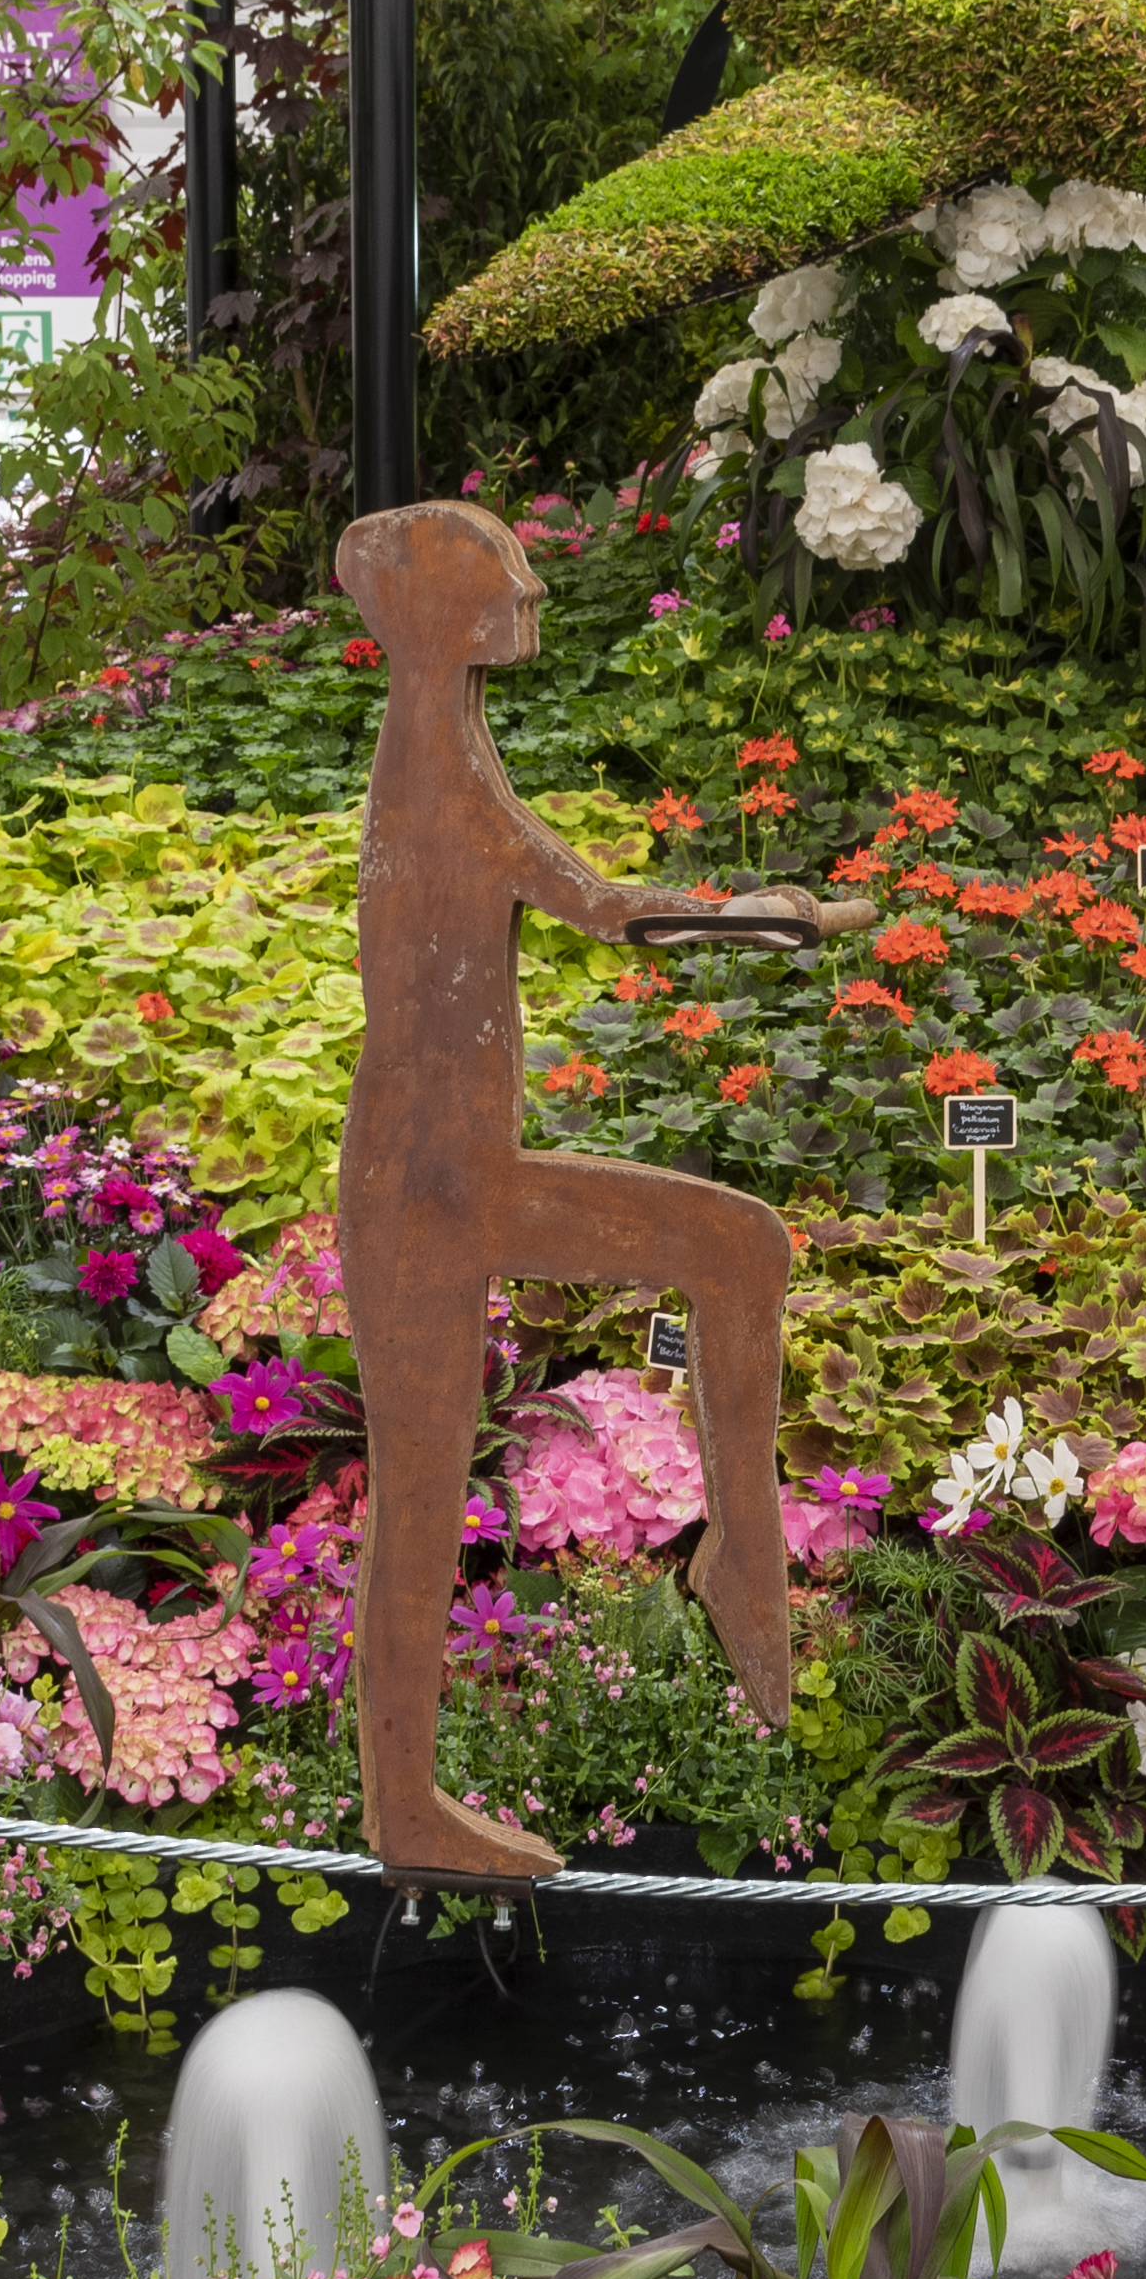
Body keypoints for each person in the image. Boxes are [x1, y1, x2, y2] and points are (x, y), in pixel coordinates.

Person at [330, 500, 865, 1878]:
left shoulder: (444, 747)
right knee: (421, 1501)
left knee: (740, 1247)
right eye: (502, 586)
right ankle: (408, 1808)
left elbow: (583, 894)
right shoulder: (438, 766)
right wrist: (764, 917)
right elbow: (600, 904)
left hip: (461, 1180)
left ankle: (739, 1555)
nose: (527, 604)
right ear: (443, 618)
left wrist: (758, 916)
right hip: (429, 1195)